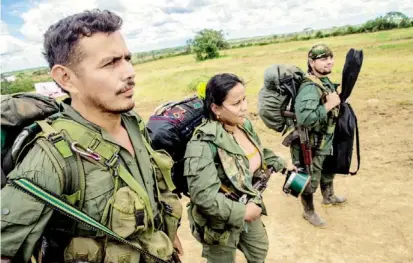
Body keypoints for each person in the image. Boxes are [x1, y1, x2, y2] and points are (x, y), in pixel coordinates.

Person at [1, 9, 183, 263]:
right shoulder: (51, 155)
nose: (129, 72)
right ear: (66, 77)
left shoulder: (132, 123)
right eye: (111, 63)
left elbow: (151, 189)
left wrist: (168, 236)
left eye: (127, 58)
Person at [183, 73, 294, 263]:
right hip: (218, 223)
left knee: (259, 250)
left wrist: (281, 164)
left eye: (244, 99)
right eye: (236, 104)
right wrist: (243, 212)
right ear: (216, 108)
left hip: (248, 202)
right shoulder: (202, 144)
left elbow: (256, 152)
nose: (244, 108)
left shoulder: (243, 125)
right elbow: (203, 196)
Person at [291, 43, 347, 228]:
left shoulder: (324, 80)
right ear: (311, 61)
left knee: (329, 167)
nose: (329, 62)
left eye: (331, 57)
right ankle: (308, 211)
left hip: (326, 137)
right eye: (323, 59)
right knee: (309, 177)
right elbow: (305, 119)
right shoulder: (309, 87)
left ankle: (328, 196)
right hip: (311, 142)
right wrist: (329, 105)